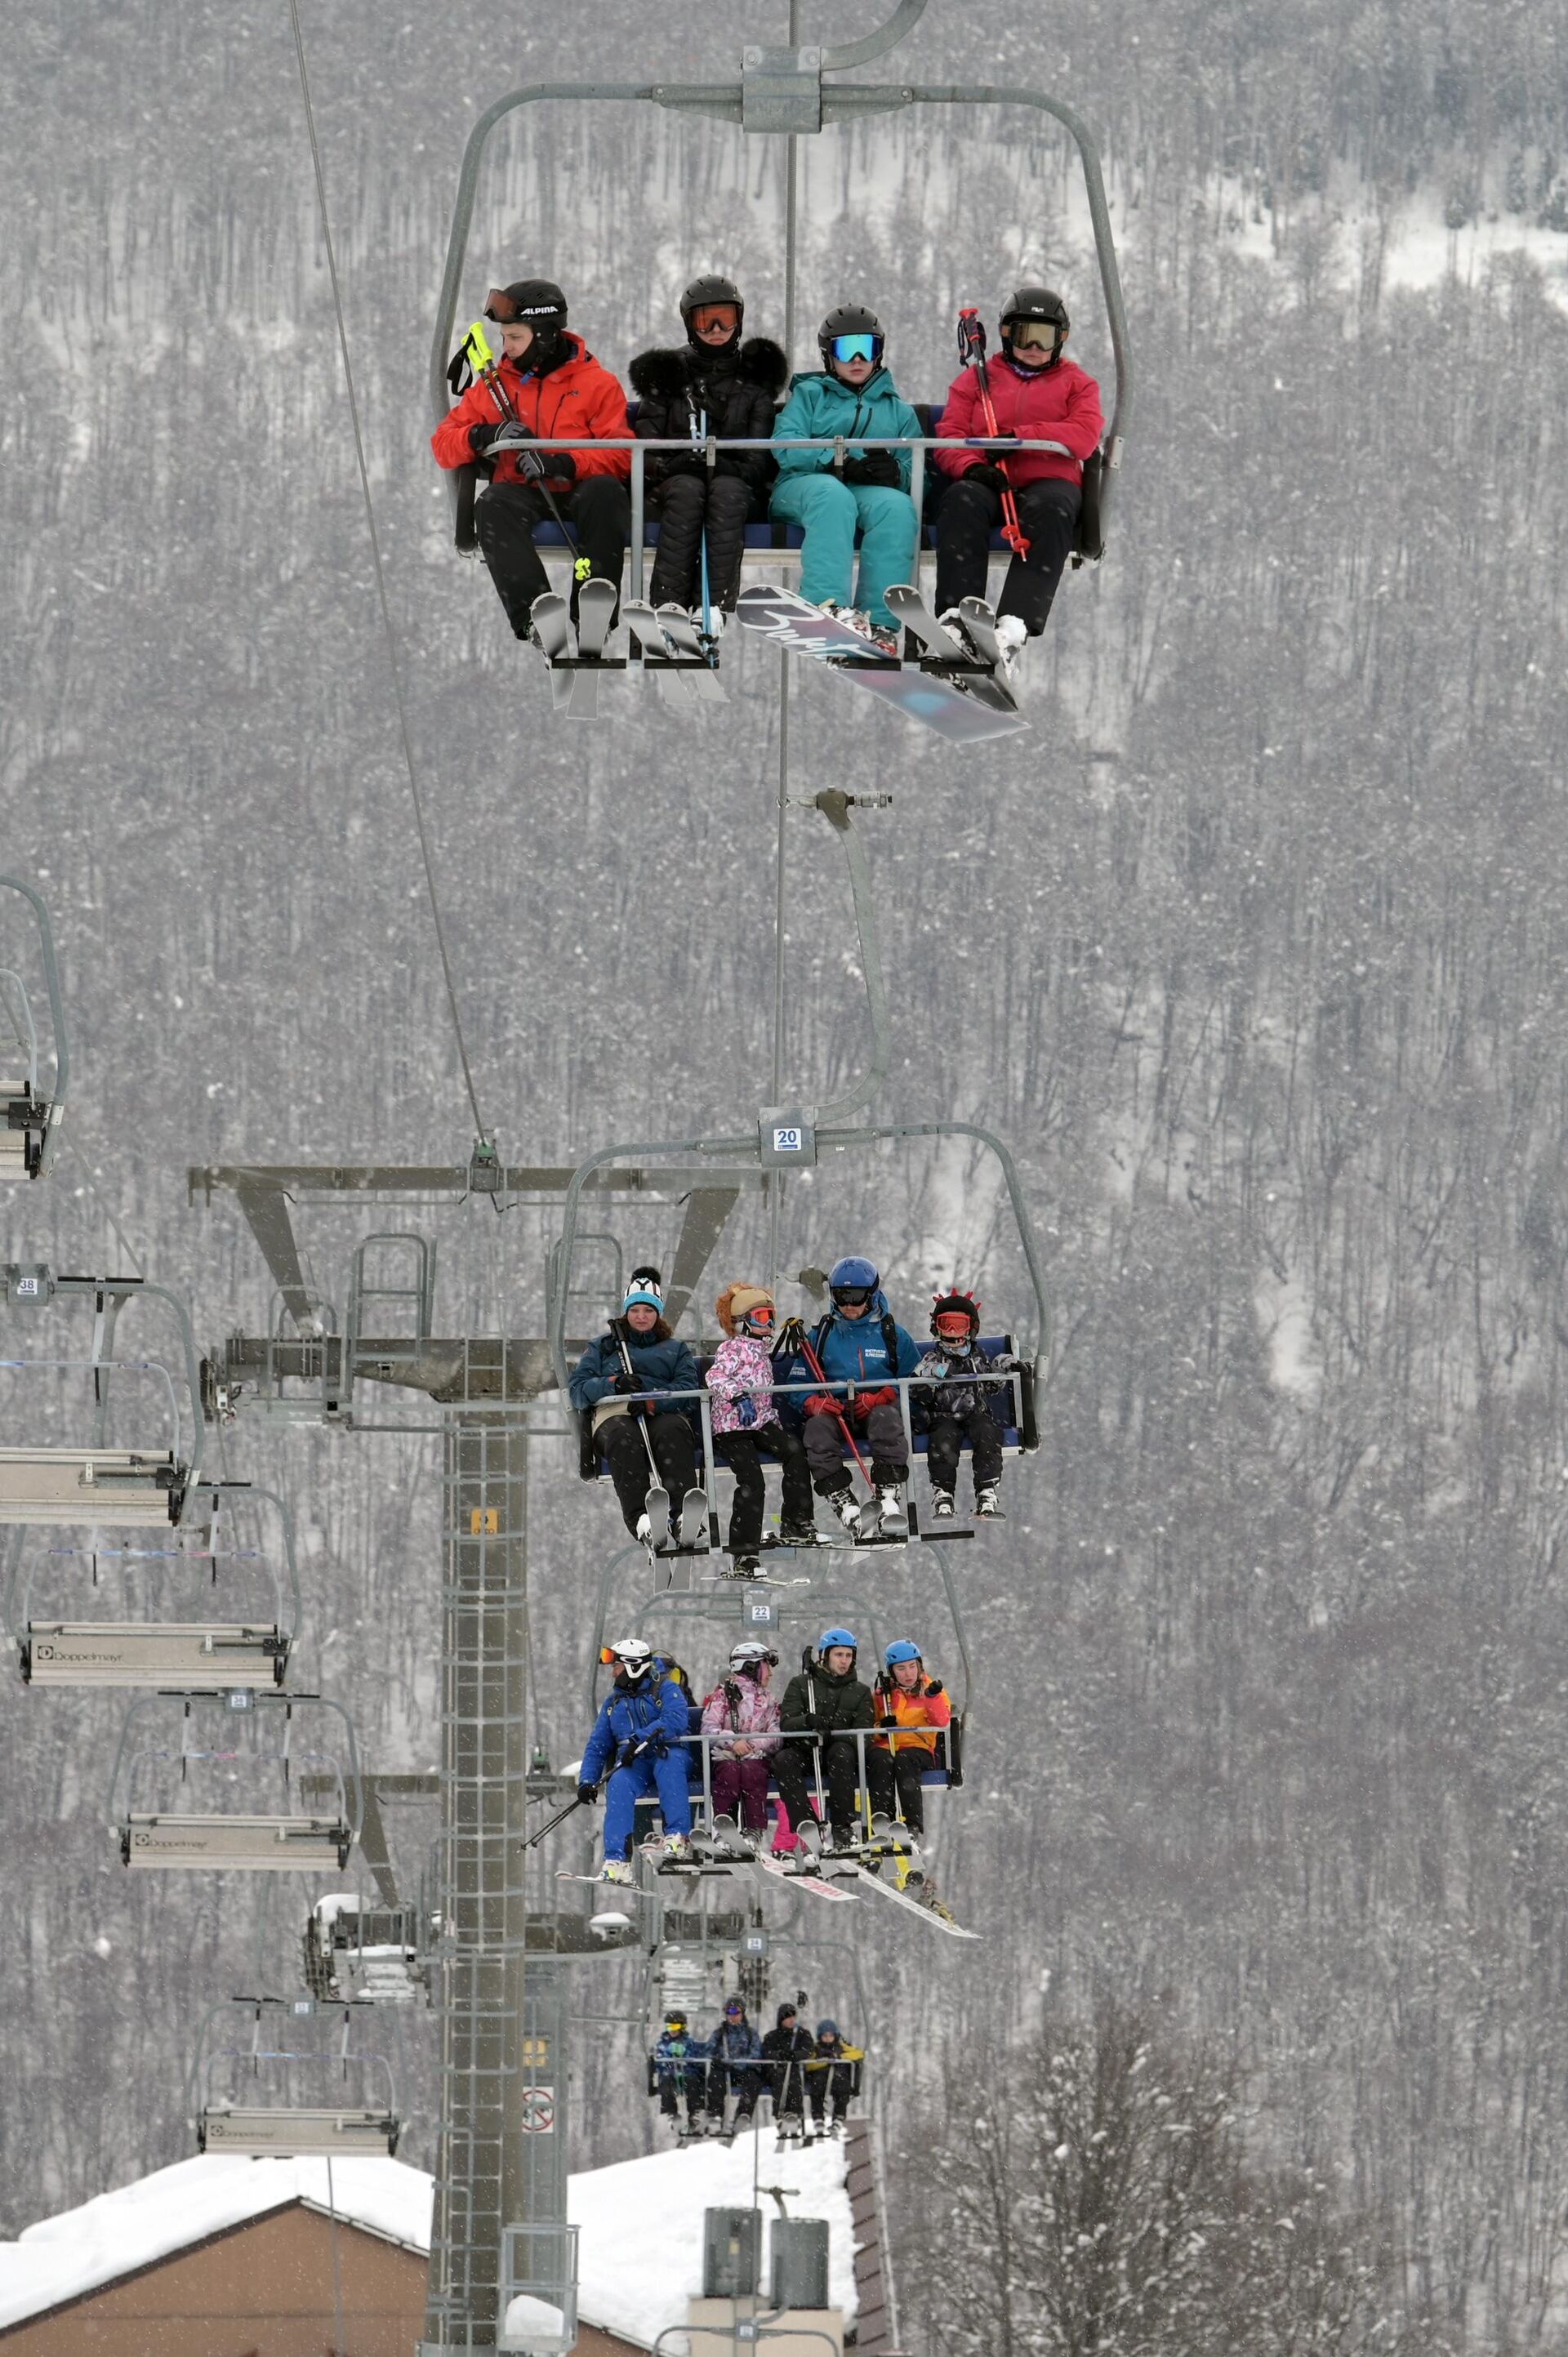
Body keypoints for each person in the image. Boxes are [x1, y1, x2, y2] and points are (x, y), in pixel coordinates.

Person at [431, 278, 632, 641]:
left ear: (544, 335)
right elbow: (443, 445)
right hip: (524, 491)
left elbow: (620, 453)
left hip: (580, 490)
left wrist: (562, 463)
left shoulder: (596, 384)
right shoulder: (495, 387)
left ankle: (593, 612)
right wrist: (482, 435)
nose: (506, 348)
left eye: (516, 338)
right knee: (493, 504)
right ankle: (536, 614)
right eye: (504, 338)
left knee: (606, 493)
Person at [932, 286, 1105, 666]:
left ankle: (1012, 626)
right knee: (963, 499)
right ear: (1007, 335)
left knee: (1054, 509)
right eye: (1025, 335)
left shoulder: (1078, 384)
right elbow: (949, 436)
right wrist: (972, 466)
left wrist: (1021, 438)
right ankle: (957, 618)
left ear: (1060, 341)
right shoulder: (977, 382)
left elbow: (1085, 434)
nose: (1034, 348)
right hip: (990, 481)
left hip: (1049, 482)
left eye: (1045, 338)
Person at [627, 276, 788, 621]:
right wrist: (674, 466)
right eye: (705, 321)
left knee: (726, 490)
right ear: (690, 325)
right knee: (688, 489)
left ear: (738, 321)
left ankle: (712, 609)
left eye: (725, 319)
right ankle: (668, 607)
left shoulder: (754, 388)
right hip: (672, 487)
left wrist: (730, 468)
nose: (716, 329)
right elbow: (645, 452)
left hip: (735, 487)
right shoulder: (668, 379)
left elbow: (760, 461)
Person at [769, 305, 923, 650]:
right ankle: (825, 604)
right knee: (832, 495)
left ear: (878, 353)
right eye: (845, 349)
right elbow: (785, 446)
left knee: (897, 508)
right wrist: (836, 462)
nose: (857, 359)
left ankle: (878, 621)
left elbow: (920, 477)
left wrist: (898, 473)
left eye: (866, 348)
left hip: (862, 494)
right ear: (829, 356)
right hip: (801, 487)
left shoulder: (897, 411)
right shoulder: (809, 396)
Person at [778, 1256, 921, 1536]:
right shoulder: (822, 1335)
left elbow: (914, 1378)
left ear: (872, 1294)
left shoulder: (891, 1334)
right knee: (816, 1430)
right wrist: (813, 1402)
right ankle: (844, 1503)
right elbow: (797, 1381)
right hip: (837, 1410)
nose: (849, 1306)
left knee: (886, 1420)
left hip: (877, 1409)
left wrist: (884, 1395)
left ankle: (888, 1496)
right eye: (841, 1297)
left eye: (856, 1297)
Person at [568, 1267, 706, 1544]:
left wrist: (652, 1399)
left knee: (672, 1431)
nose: (641, 1317)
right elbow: (578, 1391)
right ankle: (641, 1519)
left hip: (660, 1412)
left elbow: (688, 1391)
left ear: (658, 1313)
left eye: (648, 1310)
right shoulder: (603, 1347)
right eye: (635, 1310)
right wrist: (614, 1384)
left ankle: (683, 1516)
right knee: (623, 1437)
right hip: (615, 1414)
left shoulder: (675, 1350)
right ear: (626, 1312)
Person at [706, 1283, 816, 1573]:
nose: (768, 1325)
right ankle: (744, 1552)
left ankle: (796, 1521)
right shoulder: (732, 1348)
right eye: (761, 1318)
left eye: (771, 1317)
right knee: (752, 1481)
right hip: (732, 1425)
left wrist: (772, 1420)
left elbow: (765, 1395)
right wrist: (737, 1396)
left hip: (761, 1423)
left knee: (795, 1451)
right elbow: (714, 1376)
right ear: (742, 1323)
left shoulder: (764, 1352)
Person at [577, 1637, 694, 1883]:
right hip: (636, 1763)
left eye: (616, 1667)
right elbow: (598, 1745)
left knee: (669, 1765)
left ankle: (677, 1837)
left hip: (669, 1751)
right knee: (619, 1782)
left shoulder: (664, 1688)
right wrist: (587, 1780)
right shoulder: (613, 1703)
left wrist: (640, 1739)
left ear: (632, 1666)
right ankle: (617, 1860)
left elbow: (676, 1719)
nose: (612, 1674)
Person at [909, 1290, 1020, 1518]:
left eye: (959, 1326)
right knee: (943, 1439)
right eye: (946, 1325)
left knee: (988, 1432)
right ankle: (943, 1491)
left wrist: (1003, 1367)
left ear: (971, 1329)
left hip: (976, 1414)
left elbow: (990, 1386)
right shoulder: (933, 1358)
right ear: (936, 1328)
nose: (952, 1332)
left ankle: (986, 1489)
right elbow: (915, 1390)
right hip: (943, 1416)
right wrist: (928, 1378)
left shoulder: (977, 1357)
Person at [773, 1628, 874, 1858]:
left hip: (840, 1758)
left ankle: (842, 1828)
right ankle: (807, 1824)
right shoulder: (801, 1685)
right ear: (825, 1655)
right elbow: (787, 1723)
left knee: (841, 1753)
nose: (844, 1661)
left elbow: (863, 1732)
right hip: (807, 1751)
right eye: (839, 1655)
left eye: (849, 1656)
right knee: (783, 1760)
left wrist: (832, 1735)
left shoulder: (860, 1692)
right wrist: (807, 1722)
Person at [870, 1637, 952, 1870]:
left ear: (919, 1666)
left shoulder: (930, 1690)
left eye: (912, 1667)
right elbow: (870, 1728)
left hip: (918, 1748)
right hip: (887, 1747)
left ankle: (912, 1825)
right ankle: (882, 1820)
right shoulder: (883, 1696)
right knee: (879, 1760)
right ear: (892, 1672)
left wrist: (932, 1698)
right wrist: (880, 1728)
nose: (908, 1674)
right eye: (901, 1669)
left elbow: (941, 1720)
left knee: (905, 1761)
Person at [699, 1642, 782, 1843]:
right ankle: (725, 1828)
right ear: (750, 1667)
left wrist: (753, 1745)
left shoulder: (769, 1700)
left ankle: (754, 1830)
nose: (770, 1673)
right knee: (729, 1774)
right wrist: (732, 1742)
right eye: (766, 1667)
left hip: (757, 1758)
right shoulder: (722, 1696)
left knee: (752, 1773)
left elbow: (776, 1733)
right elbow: (708, 1729)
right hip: (726, 1756)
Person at [705, 1995, 763, 2136]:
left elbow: (756, 2054)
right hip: (724, 2072)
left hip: (743, 2071)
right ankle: (716, 2115)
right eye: (729, 2013)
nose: (733, 2016)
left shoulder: (750, 2034)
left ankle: (743, 2114)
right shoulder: (720, 2034)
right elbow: (708, 2051)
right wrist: (718, 2059)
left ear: (742, 2013)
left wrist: (738, 2063)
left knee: (753, 2079)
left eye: (736, 2012)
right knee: (715, 2077)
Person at [760, 2001, 815, 2139]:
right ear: (781, 2019)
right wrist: (780, 2056)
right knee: (781, 2077)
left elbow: (808, 2050)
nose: (791, 2020)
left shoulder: (803, 2034)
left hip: (797, 2070)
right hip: (777, 2071)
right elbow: (766, 2052)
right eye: (787, 2017)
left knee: (794, 2078)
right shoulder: (772, 2036)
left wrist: (794, 2056)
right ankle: (780, 2114)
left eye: (793, 2016)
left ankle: (795, 2113)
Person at [652, 2009, 708, 2139]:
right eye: (669, 2027)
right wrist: (668, 2055)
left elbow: (695, 2060)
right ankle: (672, 2112)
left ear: (682, 2027)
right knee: (665, 2080)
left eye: (675, 2026)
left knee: (693, 2080)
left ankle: (695, 2113)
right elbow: (659, 2062)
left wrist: (685, 2057)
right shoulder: (662, 2044)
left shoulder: (689, 2043)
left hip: (687, 2074)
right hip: (670, 2075)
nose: (672, 2030)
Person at [804, 2020, 864, 2136]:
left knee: (843, 2088)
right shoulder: (816, 2049)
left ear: (835, 2036)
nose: (828, 2038)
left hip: (838, 2077)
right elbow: (809, 2064)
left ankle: (838, 2118)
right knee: (816, 2087)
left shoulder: (842, 2047)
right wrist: (825, 2062)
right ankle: (818, 2117)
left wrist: (839, 2057)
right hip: (821, 2077)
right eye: (825, 2036)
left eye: (831, 2036)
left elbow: (859, 2054)